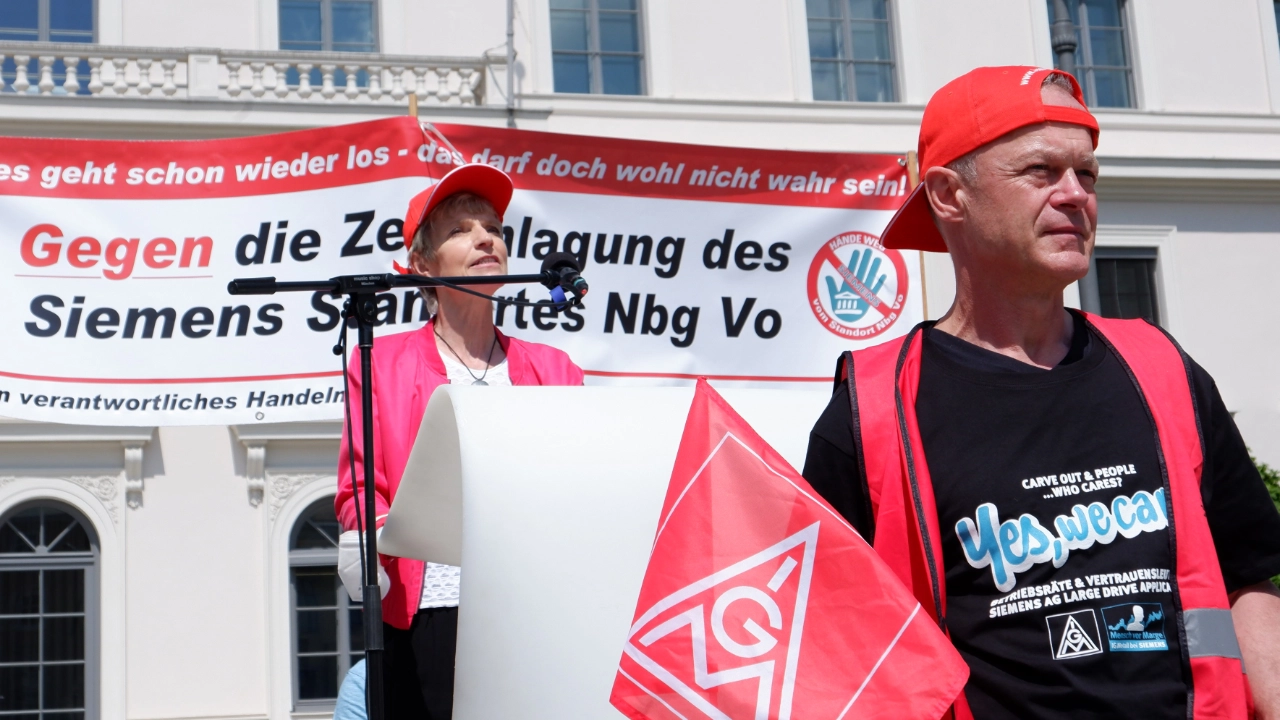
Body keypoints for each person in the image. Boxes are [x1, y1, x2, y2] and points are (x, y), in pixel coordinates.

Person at [802, 66, 1280, 719]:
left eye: (1086, 174)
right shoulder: (873, 406)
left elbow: (1246, 577)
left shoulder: (1160, 365)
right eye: (1040, 172)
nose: (1075, 195)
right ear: (948, 195)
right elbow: (831, 644)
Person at [335, 163, 584, 719]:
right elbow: (359, 489)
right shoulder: (381, 364)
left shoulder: (557, 369)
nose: (484, 238)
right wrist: (374, 538)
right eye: (458, 230)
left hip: (532, 612)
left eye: (492, 227)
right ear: (421, 265)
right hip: (429, 613)